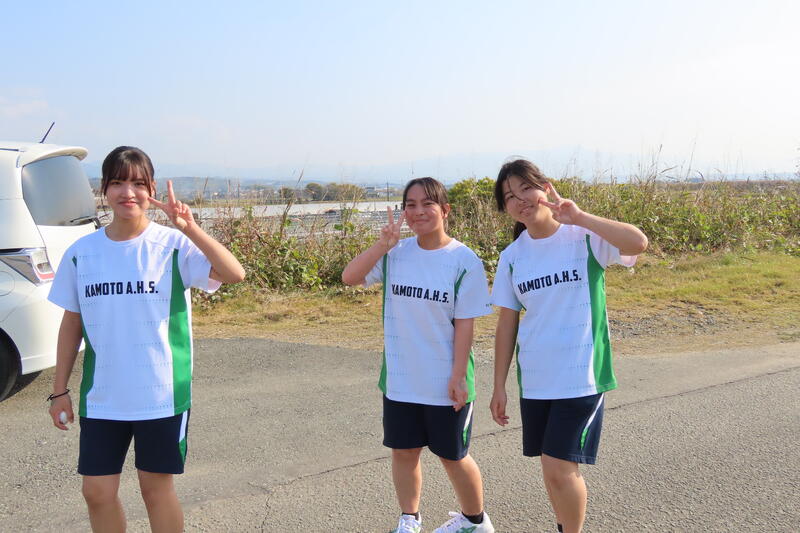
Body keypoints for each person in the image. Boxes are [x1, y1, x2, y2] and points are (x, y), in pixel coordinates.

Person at [47, 146, 245, 533]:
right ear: (103, 189)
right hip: (103, 395)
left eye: (138, 183)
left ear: (152, 189)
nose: (128, 192)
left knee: (155, 489)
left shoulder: (173, 245)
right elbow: (72, 323)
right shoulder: (82, 253)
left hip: (161, 392)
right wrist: (59, 391)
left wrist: (190, 228)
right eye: (117, 183)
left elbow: (233, 273)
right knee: (96, 492)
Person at [489, 159, 648, 533]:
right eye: (509, 196)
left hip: (581, 375)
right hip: (536, 380)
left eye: (525, 188)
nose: (520, 200)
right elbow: (507, 324)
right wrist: (499, 386)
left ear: (545, 187)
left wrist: (580, 217)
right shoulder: (512, 257)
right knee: (551, 471)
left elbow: (638, 242)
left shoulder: (584, 237)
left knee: (560, 467)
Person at [342, 177, 495, 533]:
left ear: (445, 210)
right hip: (401, 378)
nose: (418, 211)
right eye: (410, 205)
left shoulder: (463, 260)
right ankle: (409, 519)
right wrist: (382, 245)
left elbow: (465, 325)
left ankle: (475, 521)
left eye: (428, 203)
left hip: (446, 379)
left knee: (453, 456)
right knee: (404, 452)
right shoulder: (395, 253)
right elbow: (350, 277)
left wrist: (458, 376)